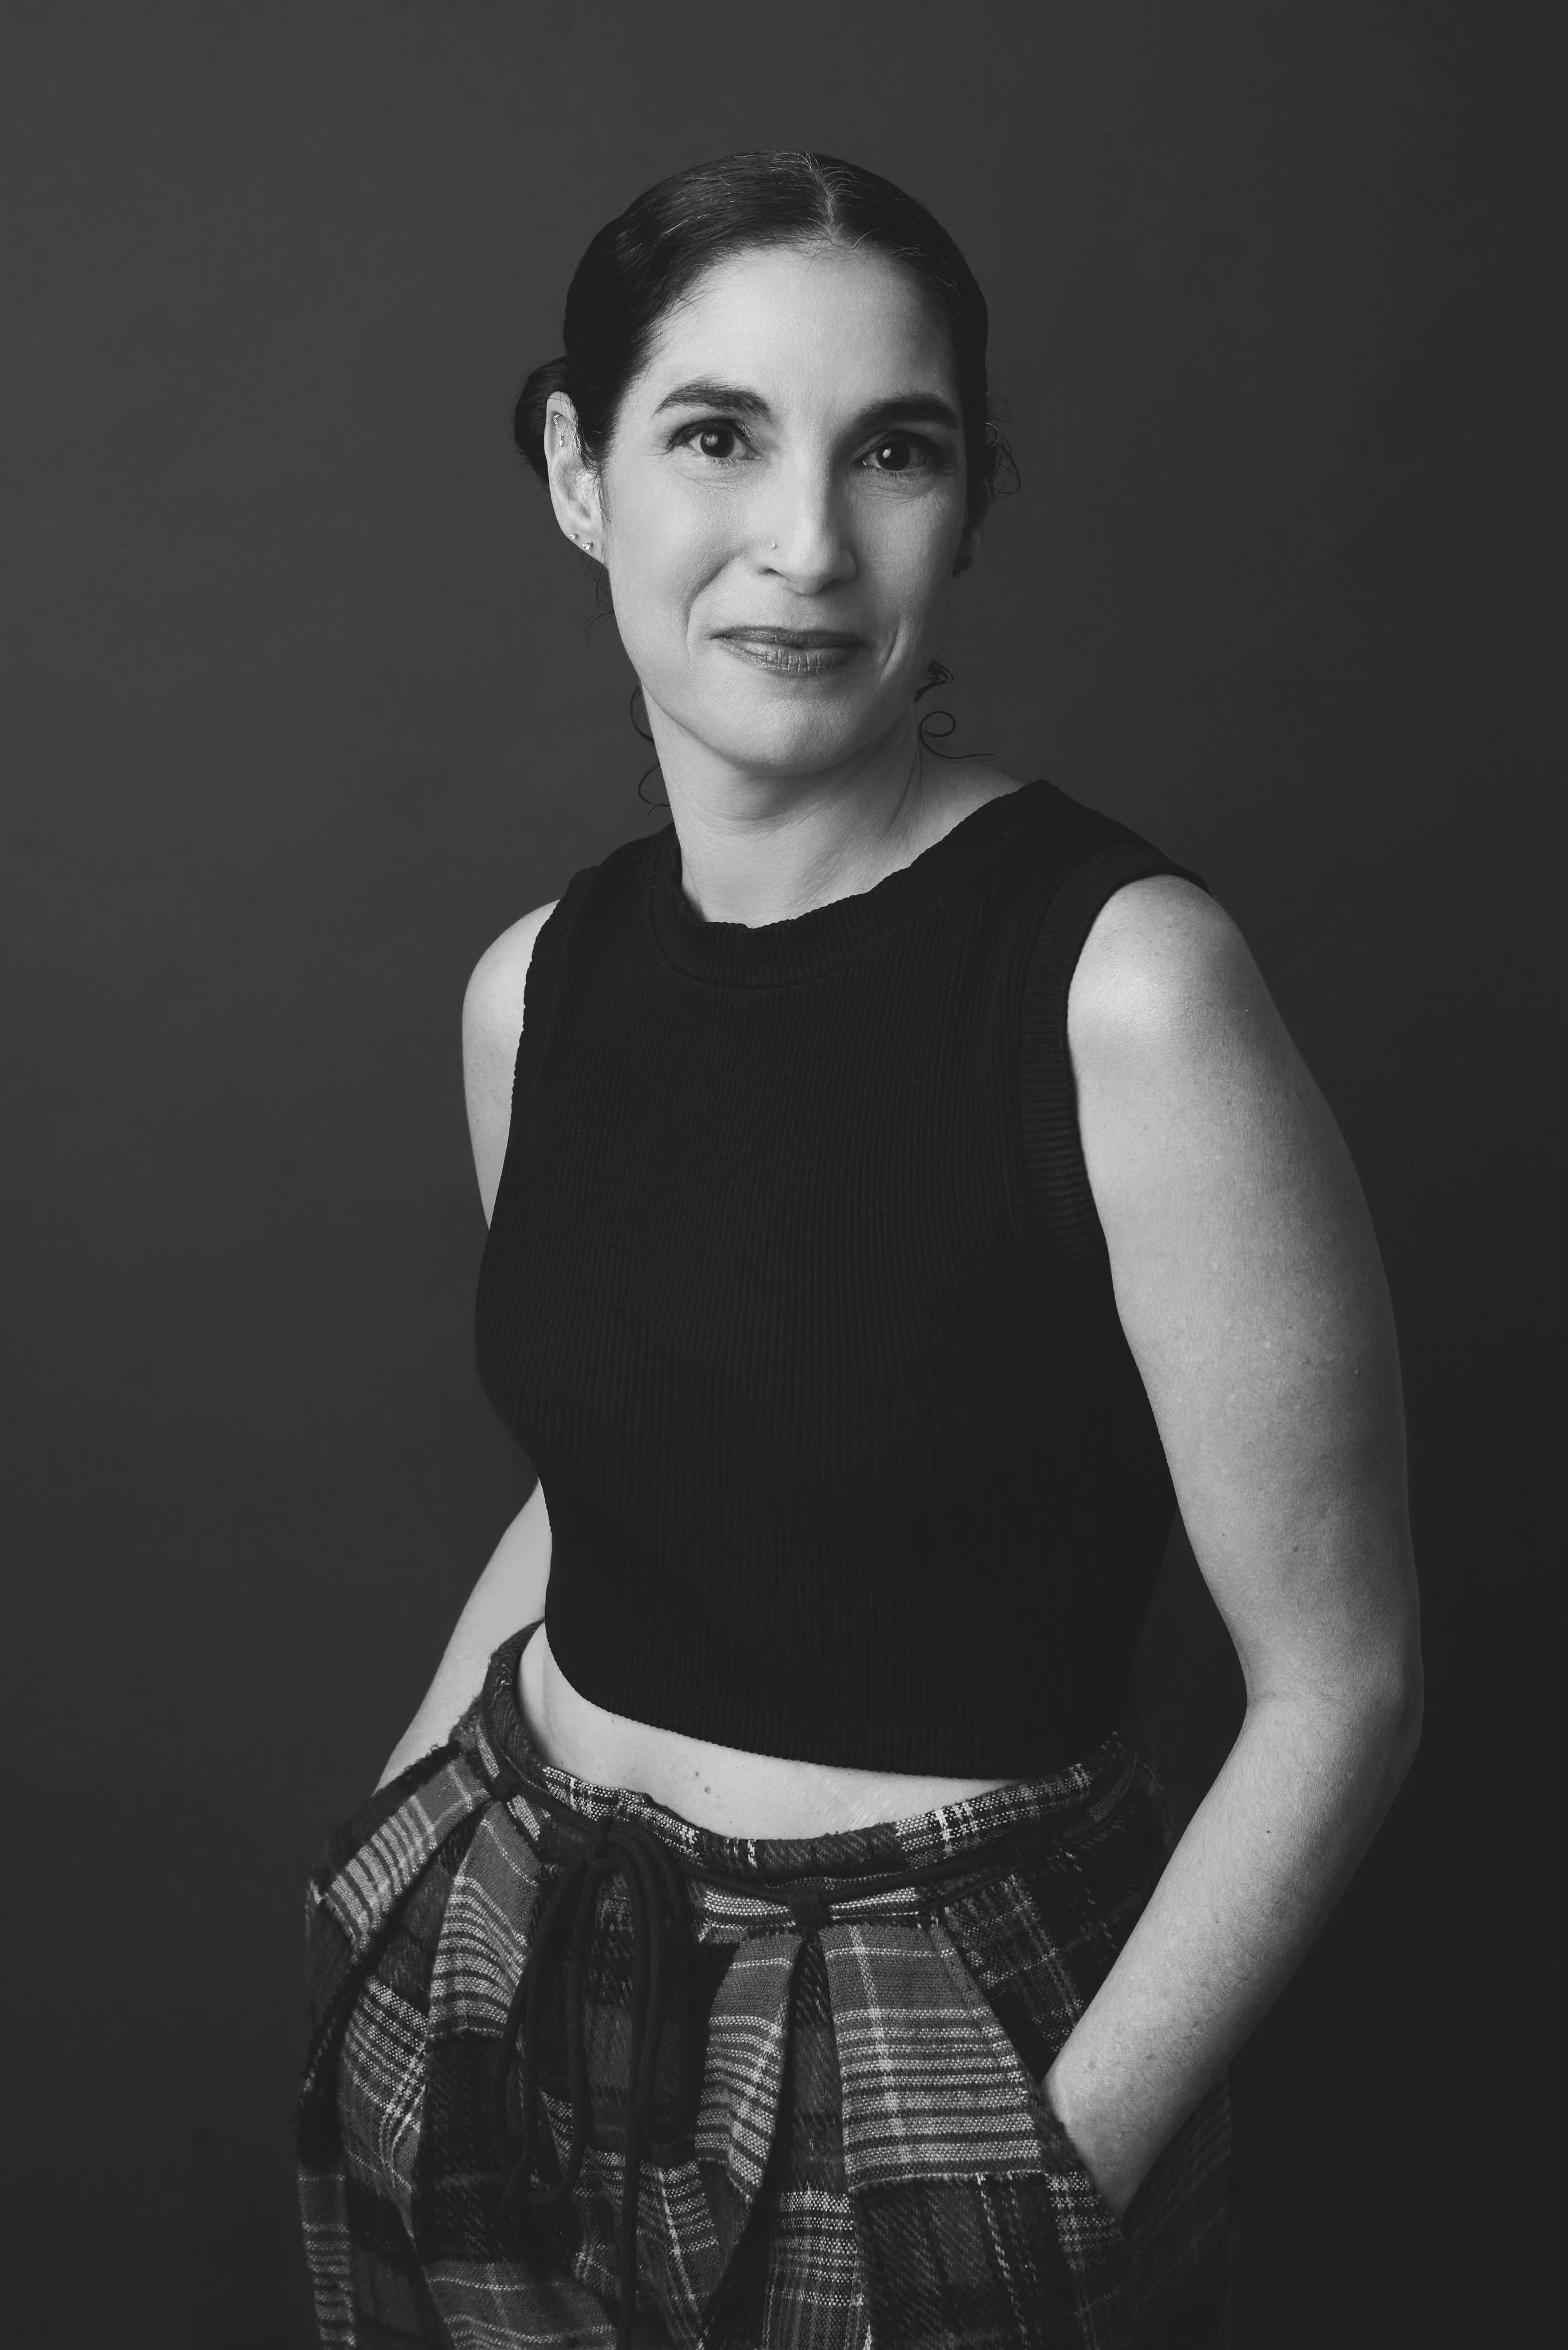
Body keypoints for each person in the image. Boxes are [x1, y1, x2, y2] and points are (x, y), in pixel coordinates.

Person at [296, 151, 1421, 2350]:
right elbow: (603, 1467)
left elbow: (1346, 1682)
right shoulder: (535, 987)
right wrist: (390, 1855)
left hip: (935, 2042)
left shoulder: (1121, 986)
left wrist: (1058, 2162)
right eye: (713, 435)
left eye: (890, 452)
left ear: (968, 501)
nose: (805, 546)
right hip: (497, 1955)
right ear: (577, 470)